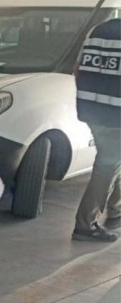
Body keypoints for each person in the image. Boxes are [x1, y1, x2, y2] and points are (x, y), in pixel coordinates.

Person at [71, 18, 121, 243]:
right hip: (116, 114)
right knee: (107, 165)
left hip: (92, 110)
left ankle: (116, 211)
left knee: (113, 159)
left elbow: (77, 69)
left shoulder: (98, 30)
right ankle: (85, 224)